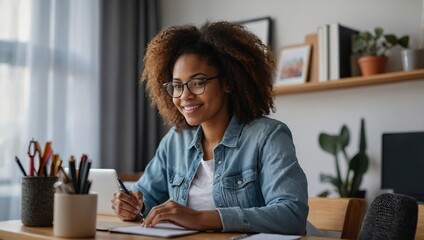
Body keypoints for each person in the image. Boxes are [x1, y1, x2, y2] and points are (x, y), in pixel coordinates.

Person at [111, 21, 308, 235]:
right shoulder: (176, 140)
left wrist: (198, 218)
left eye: (197, 82)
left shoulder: (267, 137)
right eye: (177, 85)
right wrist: (131, 204)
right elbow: (145, 194)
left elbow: (291, 215)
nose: (185, 96)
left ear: (227, 82)